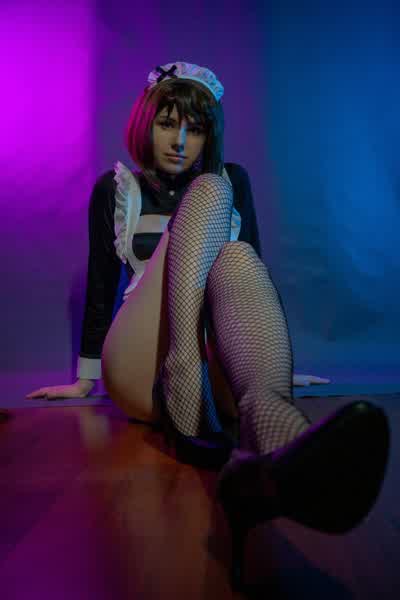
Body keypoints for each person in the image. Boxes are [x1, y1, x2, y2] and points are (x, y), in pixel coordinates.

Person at [27, 62, 389, 589]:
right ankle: (181, 376)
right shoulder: (118, 189)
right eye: (167, 124)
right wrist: (85, 380)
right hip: (145, 361)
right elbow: (102, 287)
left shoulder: (234, 178)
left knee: (237, 256)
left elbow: (252, 273)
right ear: (146, 124)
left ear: (208, 135)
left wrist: (274, 361)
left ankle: (286, 463)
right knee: (212, 192)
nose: (179, 141)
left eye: (195, 129)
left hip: (213, 362)